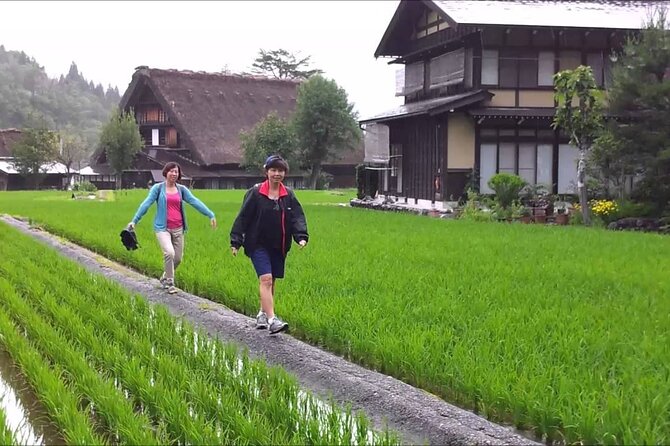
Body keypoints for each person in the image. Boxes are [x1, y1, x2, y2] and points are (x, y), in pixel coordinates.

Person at [230, 155, 308, 334]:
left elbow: (297, 217)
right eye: (273, 170)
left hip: (279, 244)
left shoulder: (288, 195)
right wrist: (236, 241)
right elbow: (243, 217)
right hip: (257, 244)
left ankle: (262, 314)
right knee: (265, 279)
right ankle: (273, 319)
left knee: (271, 281)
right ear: (266, 171)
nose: (277, 174)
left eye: (280, 170)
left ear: (285, 173)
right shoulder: (256, 193)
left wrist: (301, 237)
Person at [128, 162, 216, 294]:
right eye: (171, 171)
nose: (174, 174)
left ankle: (164, 277)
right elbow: (146, 204)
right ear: (166, 173)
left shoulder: (182, 190)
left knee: (178, 258)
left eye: (176, 172)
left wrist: (210, 214)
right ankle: (170, 282)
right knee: (169, 253)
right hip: (162, 228)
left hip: (178, 228)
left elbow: (194, 201)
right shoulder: (158, 188)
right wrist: (135, 220)